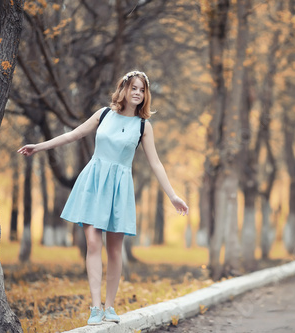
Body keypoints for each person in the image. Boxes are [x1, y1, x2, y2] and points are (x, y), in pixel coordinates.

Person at [17, 70, 189, 325]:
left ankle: (109, 307)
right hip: (94, 182)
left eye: (142, 90)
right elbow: (72, 135)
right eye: (134, 88)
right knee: (93, 243)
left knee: (115, 250)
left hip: (119, 189)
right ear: (124, 89)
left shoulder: (143, 126)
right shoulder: (103, 114)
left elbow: (156, 164)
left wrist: (172, 195)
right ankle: (95, 307)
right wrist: (38, 146)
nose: (138, 93)